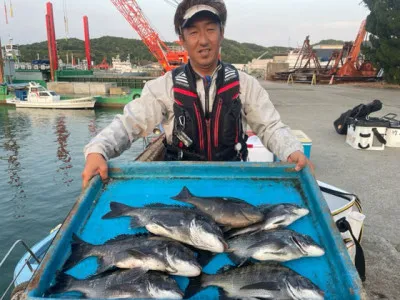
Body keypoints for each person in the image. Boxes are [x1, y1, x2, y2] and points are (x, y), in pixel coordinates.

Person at [82, 0, 314, 189]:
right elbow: (128, 124)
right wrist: (97, 150)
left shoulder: (246, 84)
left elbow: (270, 126)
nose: (203, 40)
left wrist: (292, 150)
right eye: (193, 32)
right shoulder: (162, 87)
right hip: (180, 185)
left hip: (231, 180)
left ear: (221, 33)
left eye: (210, 30)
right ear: (182, 40)